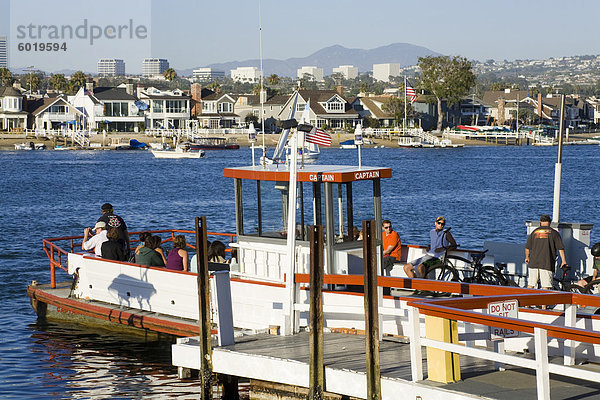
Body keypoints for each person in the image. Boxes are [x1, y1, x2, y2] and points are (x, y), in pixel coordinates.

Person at [525, 214, 567, 291]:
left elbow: (527, 247)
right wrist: (563, 261)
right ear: (549, 222)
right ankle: (543, 303)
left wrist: (527, 257)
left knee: (530, 285)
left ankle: (526, 302)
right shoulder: (554, 233)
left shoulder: (534, 232)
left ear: (540, 222)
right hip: (546, 263)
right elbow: (560, 248)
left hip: (533, 262)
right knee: (545, 286)